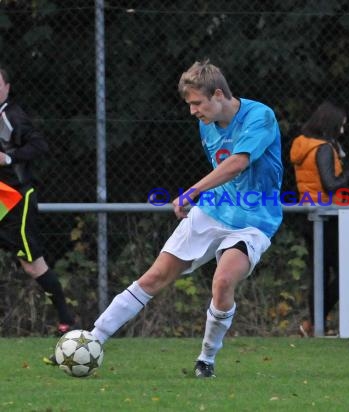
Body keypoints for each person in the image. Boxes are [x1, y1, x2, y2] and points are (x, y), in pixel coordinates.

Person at [73, 60, 281, 378]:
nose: (193, 111)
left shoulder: (259, 116)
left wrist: (191, 191)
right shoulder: (206, 123)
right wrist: (201, 198)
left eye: (197, 103)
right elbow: (222, 173)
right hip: (213, 211)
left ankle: (206, 359)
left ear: (219, 94)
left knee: (223, 282)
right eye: (190, 104)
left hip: (255, 219)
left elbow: (237, 163)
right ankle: (92, 340)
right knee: (154, 278)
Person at [0, 66, 76, 335]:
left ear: (7, 88)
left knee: (32, 264)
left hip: (15, 199)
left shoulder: (12, 117)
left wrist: (8, 158)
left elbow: (40, 146)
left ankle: (67, 320)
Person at [290, 101, 349, 336]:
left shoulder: (301, 144)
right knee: (344, 272)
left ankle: (315, 324)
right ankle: (315, 322)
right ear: (330, 125)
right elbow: (330, 184)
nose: (342, 131)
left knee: (320, 272)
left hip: (309, 214)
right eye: (340, 126)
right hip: (327, 216)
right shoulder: (323, 148)